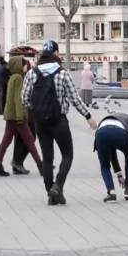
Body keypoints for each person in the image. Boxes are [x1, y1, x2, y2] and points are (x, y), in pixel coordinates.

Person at [22, 40, 98, 206]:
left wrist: (37, 110)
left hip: (40, 122)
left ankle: (51, 193)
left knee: (47, 158)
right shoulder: (63, 73)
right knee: (67, 154)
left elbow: (24, 99)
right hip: (59, 121)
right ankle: (58, 186)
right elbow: (75, 98)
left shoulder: (32, 73)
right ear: (56, 54)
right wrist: (88, 116)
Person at [0, 56, 43, 176]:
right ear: (17, 66)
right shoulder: (19, 78)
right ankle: (41, 167)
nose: (26, 66)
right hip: (17, 117)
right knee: (30, 142)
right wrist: (21, 117)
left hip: (10, 115)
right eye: (23, 64)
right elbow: (18, 99)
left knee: (5, 142)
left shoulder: (12, 77)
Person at [94, 113, 128, 203]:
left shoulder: (119, 118)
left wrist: (119, 174)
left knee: (104, 165)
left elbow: (112, 151)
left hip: (101, 132)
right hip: (120, 133)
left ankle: (111, 193)